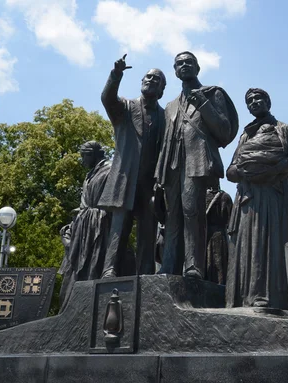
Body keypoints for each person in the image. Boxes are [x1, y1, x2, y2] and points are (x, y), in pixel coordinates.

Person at [154, 51, 238, 279]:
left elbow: (224, 131)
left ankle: (193, 266)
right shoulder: (170, 106)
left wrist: (203, 105)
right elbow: (164, 141)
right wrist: (158, 174)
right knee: (172, 216)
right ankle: (170, 266)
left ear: (198, 67)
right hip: (172, 165)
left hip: (197, 160)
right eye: (179, 63)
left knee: (192, 212)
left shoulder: (213, 94)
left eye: (189, 62)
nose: (184, 66)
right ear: (174, 71)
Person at [226, 88, 288, 310]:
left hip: (273, 196)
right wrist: (246, 172)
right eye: (249, 101)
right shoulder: (245, 136)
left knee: (268, 244)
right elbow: (230, 170)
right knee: (248, 246)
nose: (254, 102)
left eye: (258, 98)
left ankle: (269, 296)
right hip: (248, 198)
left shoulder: (284, 129)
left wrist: (274, 168)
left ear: (268, 102)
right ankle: (245, 296)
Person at [98, 54, 166, 277]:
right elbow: (107, 99)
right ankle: (110, 269)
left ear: (162, 89)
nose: (150, 80)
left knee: (148, 231)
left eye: (156, 79)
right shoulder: (125, 107)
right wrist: (115, 75)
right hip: (125, 179)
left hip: (150, 185)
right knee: (119, 228)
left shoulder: (166, 117)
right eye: (147, 77)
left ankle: (145, 273)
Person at [59, 141, 111, 311]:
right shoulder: (90, 174)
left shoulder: (109, 169)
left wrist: (87, 214)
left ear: (93, 154)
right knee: (71, 275)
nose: (81, 161)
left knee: (91, 271)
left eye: (83, 156)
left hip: (99, 227)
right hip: (83, 227)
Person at [205, 183, 233, 284]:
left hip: (205, 236)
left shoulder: (202, 197)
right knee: (220, 266)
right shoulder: (225, 197)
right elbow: (231, 222)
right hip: (221, 236)